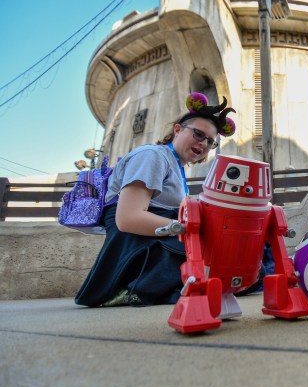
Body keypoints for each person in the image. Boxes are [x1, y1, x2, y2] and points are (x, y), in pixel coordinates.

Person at [75, 93, 236, 307]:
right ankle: (136, 286)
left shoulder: (174, 165)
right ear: (177, 130)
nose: (204, 144)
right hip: (137, 243)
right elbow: (128, 218)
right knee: (216, 258)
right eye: (198, 134)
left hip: (156, 237)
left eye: (210, 141)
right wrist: (191, 228)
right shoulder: (153, 156)